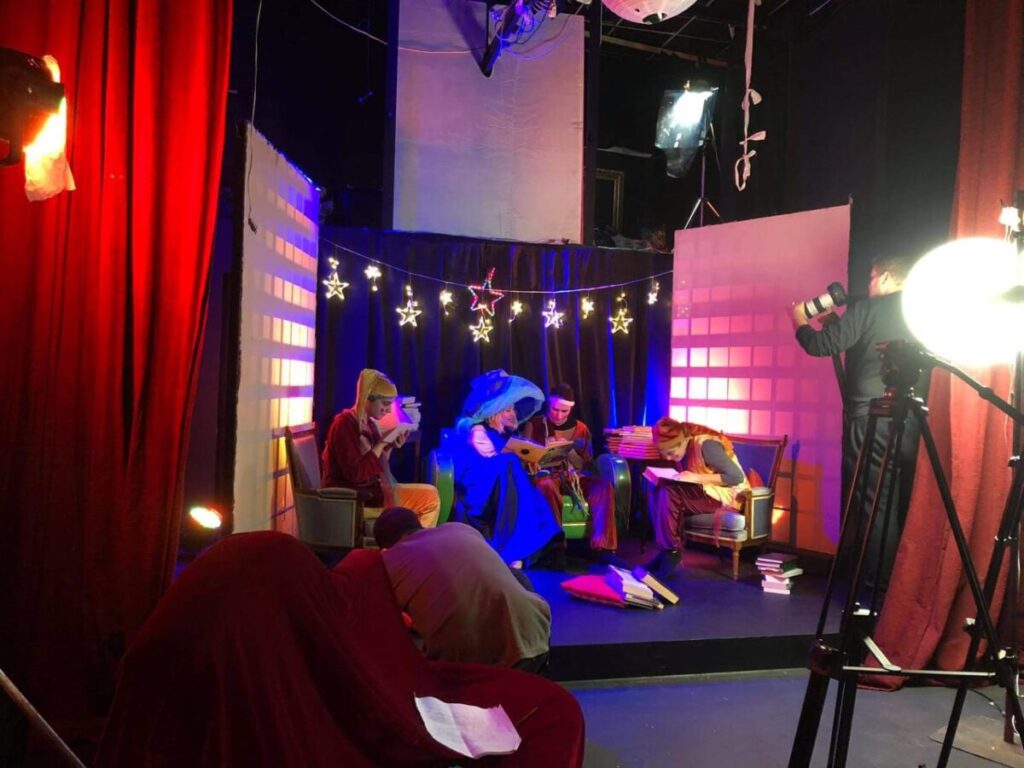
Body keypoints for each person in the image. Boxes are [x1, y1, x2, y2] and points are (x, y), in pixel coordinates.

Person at [791, 253, 923, 602]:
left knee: (873, 504)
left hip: (872, 417)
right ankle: (895, 588)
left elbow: (821, 345)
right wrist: (838, 323)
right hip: (912, 420)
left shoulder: (871, 307)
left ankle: (875, 594)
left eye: (871, 278)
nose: (869, 285)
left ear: (885, 277)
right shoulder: (920, 309)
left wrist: (798, 319)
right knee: (896, 502)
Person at [373, 507, 551, 673]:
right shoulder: (461, 529)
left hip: (474, 667)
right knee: (512, 573)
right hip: (537, 641)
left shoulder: (390, 562)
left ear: (386, 547)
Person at [442, 369, 563, 567]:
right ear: (495, 413)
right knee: (509, 463)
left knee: (514, 468)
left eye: (512, 409)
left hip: (497, 481)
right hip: (479, 485)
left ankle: (528, 541)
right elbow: (487, 461)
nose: (513, 414)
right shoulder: (477, 430)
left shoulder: (500, 433)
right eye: (507, 410)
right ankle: (514, 546)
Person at [321, 368, 439, 527]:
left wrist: (389, 446)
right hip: (355, 500)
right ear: (367, 398)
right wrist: (382, 443)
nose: (389, 410)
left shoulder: (369, 424)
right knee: (429, 500)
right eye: (385, 403)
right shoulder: (344, 425)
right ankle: (411, 541)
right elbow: (357, 474)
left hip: (372, 492)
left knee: (430, 494)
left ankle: (409, 539)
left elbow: (376, 467)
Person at [646, 417, 751, 574]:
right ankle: (665, 551)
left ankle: (672, 552)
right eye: (664, 455)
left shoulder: (707, 445)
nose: (668, 458)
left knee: (671, 492)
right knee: (658, 489)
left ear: (682, 441)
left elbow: (736, 477)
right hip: (705, 490)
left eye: (671, 453)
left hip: (729, 494)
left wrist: (695, 477)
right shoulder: (686, 448)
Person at [521, 383, 618, 552]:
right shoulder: (535, 425)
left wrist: (568, 449)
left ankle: (603, 547)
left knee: (603, 487)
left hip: (574, 476)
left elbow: (586, 464)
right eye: (555, 409)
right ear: (549, 405)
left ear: (571, 409)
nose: (558, 415)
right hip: (547, 476)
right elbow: (524, 456)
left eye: (564, 411)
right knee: (545, 485)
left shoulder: (581, 429)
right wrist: (536, 458)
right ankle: (555, 545)